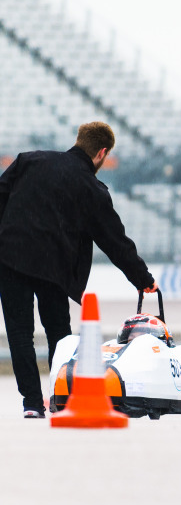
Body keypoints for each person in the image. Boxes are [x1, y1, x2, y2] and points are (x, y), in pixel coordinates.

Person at [0, 121, 157, 418]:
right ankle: (62, 399)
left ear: (78, 140)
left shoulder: (29, 160)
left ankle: (32, 404)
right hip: (54, 268)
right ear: (102, 153)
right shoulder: (92, 189)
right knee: (59, 334)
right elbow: (115, 241)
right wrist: (142, 279)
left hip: (11, 258)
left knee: (20, 335)